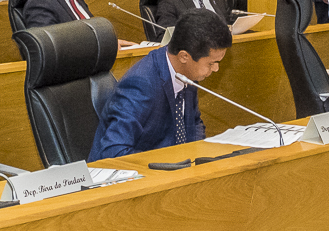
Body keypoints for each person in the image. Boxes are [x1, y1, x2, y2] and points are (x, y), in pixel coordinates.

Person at [86, 11, 232, 161]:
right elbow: (113, 152)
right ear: (184, 56)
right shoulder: (141, 84)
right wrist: (170, 163)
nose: (216, 69)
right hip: (131, 175)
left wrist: (197, 157)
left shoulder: (187, 71)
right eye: (211, 63)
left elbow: (193, 123)